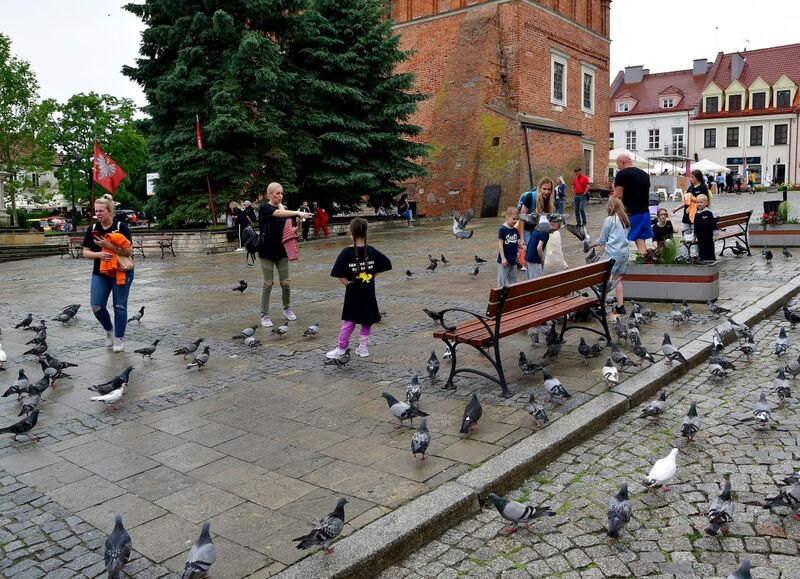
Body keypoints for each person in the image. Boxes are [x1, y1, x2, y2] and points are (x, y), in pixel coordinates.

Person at [327, 217, 392, 359]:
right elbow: (386, 263)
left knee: (349, 321)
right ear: (366, 231)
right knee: (366, 321)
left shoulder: (346, 252)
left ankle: (341, 348)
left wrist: (347, 283)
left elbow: (337, 272)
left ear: (351, 232)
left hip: (353, 292)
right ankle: (363, 348)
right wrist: (372, 276)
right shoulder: (371, 251)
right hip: (368, 291)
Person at [81, 194, 134, 352]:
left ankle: (118, 339)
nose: (98, 214)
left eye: (101, 211)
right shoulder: (93, 229)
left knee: (119, 306)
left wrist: (108, 245)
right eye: (96, 211)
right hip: (100, 272)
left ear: (110, 211)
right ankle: (109, 330)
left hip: (121, 271)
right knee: (96, 306)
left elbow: (128, 251)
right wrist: (99, 254)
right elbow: (85, 252)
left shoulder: (120, 227)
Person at [258, 182, 313, 327]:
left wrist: (299, 224)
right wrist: (298, 212)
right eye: (277, 193)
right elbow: (279, 213)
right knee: (268, 283)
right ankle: (264, 315)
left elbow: (292, 232)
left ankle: (287, 308)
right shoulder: (264, 208)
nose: (280, 196)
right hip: (266, 251)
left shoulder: (286, 210)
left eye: (282, 193)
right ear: (269, 195)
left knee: (286, 282)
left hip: (281, 251)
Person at [589, 197, 631, 315]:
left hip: (613, 255)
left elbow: (602, 240)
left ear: (611, 207)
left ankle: (601, 308)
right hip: (624, 254)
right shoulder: (625, 220)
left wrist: (590, 245)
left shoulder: (609, 220)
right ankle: (620, 306)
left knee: (605, 280)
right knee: (617, 280)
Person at [613, 153, 652, 254]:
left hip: (630, 214)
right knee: (640, 239)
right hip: (644, 213)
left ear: (622, 162)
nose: (618, 167)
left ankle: (617, 262)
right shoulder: (644, 174)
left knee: (617, 238)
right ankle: (646, 260)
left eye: (618, 165)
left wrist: (614, 212)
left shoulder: (622, 174)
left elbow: (618, 196)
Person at [674, 169, 706, 236]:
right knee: (686, 235)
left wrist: (691, 197)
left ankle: (694, 246)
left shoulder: (703, 187)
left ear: (697, 178)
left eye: (692, 177)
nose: (690, 179)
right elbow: (686, 201)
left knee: (694, 235)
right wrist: (677, 208)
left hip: (696, 215)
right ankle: (688, 246)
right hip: (687, 214)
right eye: (690, 177)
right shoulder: (691, 187)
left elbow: (703, 200)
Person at [497, 207, 522, 287]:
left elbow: (515, 243)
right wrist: (503, 258)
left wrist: (521, 246)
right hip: (504, 261)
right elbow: (500, 245)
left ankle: (512, 297)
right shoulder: (502, 230)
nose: (515, 221)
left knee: (513, 281)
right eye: (514, 219)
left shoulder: (515, 230)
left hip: (513, 260)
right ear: (507, 217)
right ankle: (500, 297)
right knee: (502, 281)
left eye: (517, 219)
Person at [692, 194, 718, 262]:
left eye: (701, 202)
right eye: (697, 202)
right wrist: (694, 236)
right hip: (700, 237)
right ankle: (703, 261)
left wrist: (715, 234)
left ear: (706, 203)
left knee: (709, 250)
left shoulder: (708, 213)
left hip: (708, 237)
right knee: (702, 250)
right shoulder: (697, 214)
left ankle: (711, 261)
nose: (699, 204)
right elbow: (695, 226)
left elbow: (713, 224)